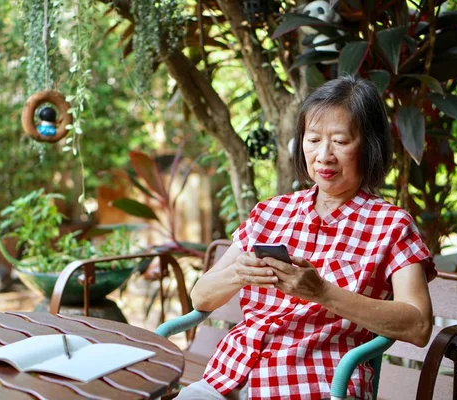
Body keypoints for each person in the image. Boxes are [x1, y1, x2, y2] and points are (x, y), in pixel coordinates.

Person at [178, 76, 436, 400]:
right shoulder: (270, 213)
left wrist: (323, 292)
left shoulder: (392, 225)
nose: (324, 155)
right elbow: (201, 297)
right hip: (228, 377)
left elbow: (418, 326)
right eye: (313, 139)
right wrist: (239, 273)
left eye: (340, 141)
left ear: (368, 145)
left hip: (318, 385)